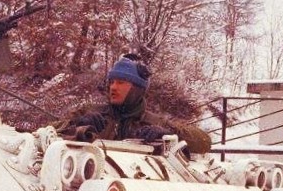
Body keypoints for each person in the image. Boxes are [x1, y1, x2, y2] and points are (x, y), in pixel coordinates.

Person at [60, 55, 211, 154]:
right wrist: (77, 124)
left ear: (137, 89)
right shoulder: (90, 112)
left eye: (121, 82)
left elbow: (204, 142)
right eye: (112, 82)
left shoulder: (154, 122)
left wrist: (169, 134)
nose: (113, 87)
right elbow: (51, 129)